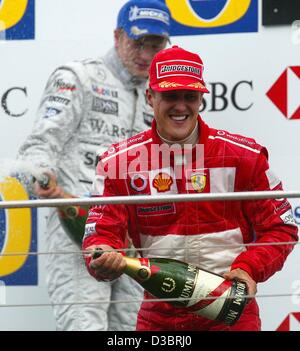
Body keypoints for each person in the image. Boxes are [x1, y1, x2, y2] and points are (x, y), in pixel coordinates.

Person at [82, 45, 299, 331]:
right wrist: (102, 253)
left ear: (201, 98)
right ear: (150, 97)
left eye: (190, 96)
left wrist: (249, 269)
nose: (181, 106)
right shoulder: (119, 163)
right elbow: (102, 233)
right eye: (170, 96)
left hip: (230, 313)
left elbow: (281, 228)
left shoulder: (244, 156)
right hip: (159, 318)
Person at [17, 0, 171, 331]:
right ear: (118, 36)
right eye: (138, 42)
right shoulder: (79, 77)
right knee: (84, 327)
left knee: (133, 332)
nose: (146, 53)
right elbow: (40, 143)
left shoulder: (162, 95)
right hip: (79, 231)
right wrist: (43, 177)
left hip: (136, 240)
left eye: (155, 45)